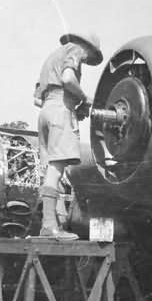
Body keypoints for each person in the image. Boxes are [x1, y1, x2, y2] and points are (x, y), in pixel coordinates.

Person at [34, 31, 103, 239]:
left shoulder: (52, 57)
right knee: (56, 170)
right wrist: (84, 98)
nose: (86, 60)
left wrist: (74, 106)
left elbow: (37, 99)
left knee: (50, 170)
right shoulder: (74, 50)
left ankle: (49, 223)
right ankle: (49, 226)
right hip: (59, 111)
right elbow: (67, 78)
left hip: (46, 110)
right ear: (87, 48)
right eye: (89, 56)